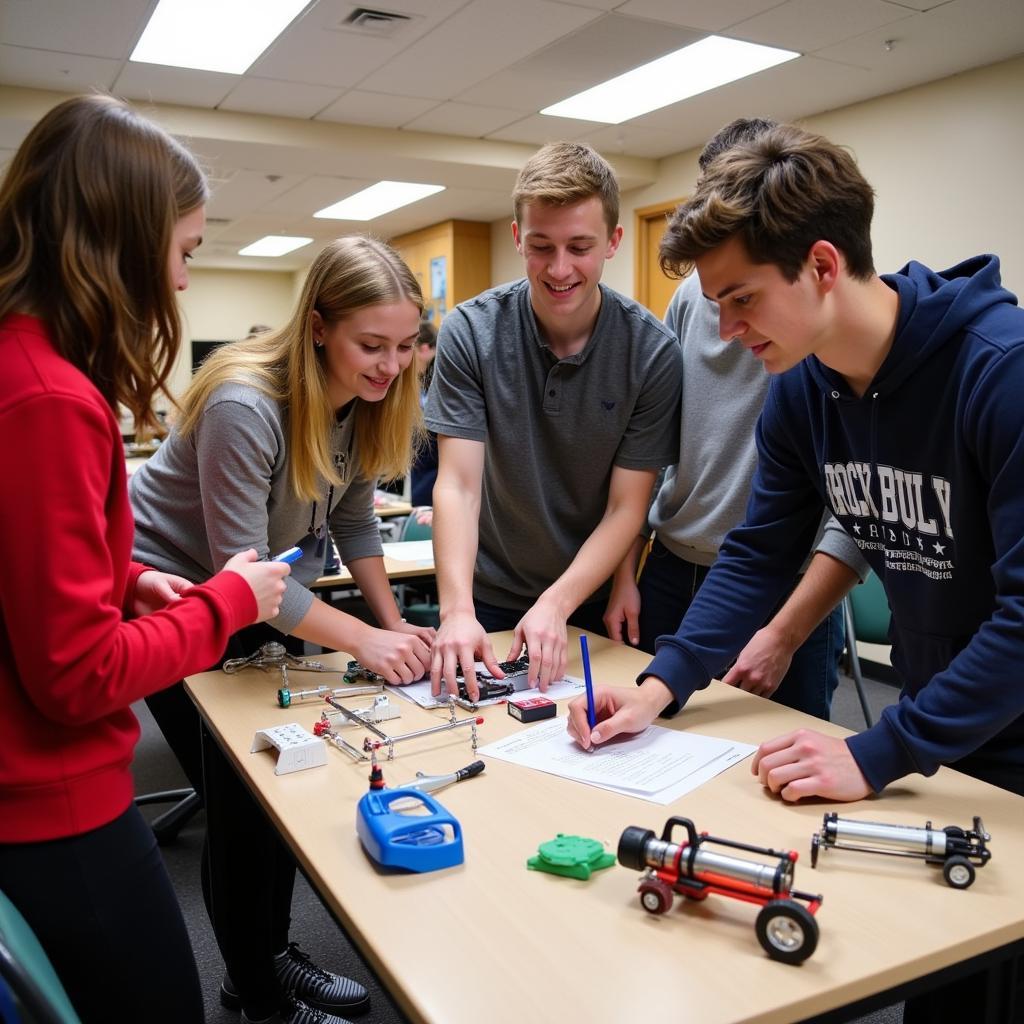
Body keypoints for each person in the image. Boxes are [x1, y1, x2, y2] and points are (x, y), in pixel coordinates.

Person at [566, 121, 1024, 1021]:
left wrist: (877, 748)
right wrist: (662, 685)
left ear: (821, 264)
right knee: (939, 990)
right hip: (942, 742)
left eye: (741, 300)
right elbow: (759, 554)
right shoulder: (801, 392)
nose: (729, 334)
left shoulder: (997, 375)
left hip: (994, 737)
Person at [0, 94, 289, 1024]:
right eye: (185, 250)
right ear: (122, 245)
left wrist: (124, 581)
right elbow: (78, 676)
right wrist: (225, 604)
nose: (182, 281)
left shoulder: (17, 365)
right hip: (51, 806)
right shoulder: (50, 398)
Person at [130, 235, 434, 1024]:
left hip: (262, 595)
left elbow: (358, 522)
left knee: (279, 792)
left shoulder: (363, 402)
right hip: (174, 599)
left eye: (405, 346)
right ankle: (257, 997)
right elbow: (244, 580)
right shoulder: (244, 403)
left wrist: (399, 631)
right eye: (372, 345)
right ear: (319, 327)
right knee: (239, 805)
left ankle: (270, 954)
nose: (390, 366)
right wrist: (365, 641)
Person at [604, 118, 868, 721]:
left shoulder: (822, 352)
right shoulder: (705, 309)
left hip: (790, 584)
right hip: (686, 563)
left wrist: (788, 629)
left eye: (741, 299)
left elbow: (854, 510)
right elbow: (656, 451)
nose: (726, 327)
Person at [426, 141, 682, 698]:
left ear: (614, 242)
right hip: (486, 591)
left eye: (580, 247)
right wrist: (456, 610)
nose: (559, 268)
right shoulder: (471, 331)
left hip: (583, 599)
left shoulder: (652, 352)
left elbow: (627, 506)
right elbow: (460, 484)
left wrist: (558, 603)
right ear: (518, 237)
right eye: (541, 246)